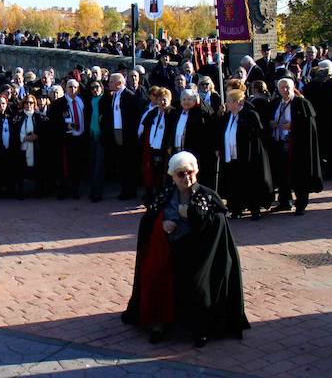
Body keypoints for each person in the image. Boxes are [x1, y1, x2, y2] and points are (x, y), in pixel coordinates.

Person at [122, 151, 250, 347]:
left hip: (199, 252)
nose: (186, 177)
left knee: (197, 283)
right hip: (169, 248)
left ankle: (201, 328)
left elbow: (219, 222)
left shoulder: (206, 195)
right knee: (157, 273)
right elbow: (148, 217)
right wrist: (162, 224)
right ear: (172, 176)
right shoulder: (166, 193)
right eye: (180, 174)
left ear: (196, 172)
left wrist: (192, 214)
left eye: (190, 172)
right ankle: (160, 323)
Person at [268, 78, 323, 215]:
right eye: (282, 87)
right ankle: (284, 201)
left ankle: (301, 203)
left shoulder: (301, 103)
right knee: (282, 174)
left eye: (287, 87)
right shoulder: (276, 103)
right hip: (279, 143)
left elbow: (309, 125)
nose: (285, 90)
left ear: (293, 88)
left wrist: (293, 126)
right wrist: (271, 124)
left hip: (298, 146)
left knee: (299, 175)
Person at [219, 90, 273, 220]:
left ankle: (255, 209)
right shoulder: (228, 116)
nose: (227, 103)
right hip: (231, 156)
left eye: (229, 101)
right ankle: (236, 209)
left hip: (248, 155)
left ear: (237, 102)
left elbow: (256, 135)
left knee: (251, 182)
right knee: (234, 183)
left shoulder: (250, 115)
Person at [102, 73, 141, 201]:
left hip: (127, 135)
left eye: (111, 82)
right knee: (122, 164)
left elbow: (135, 117)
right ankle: (126, 189)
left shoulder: (130, 96)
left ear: (118, 83)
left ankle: (129, 191)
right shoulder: (114, 95)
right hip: (117, 132)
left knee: (128, 164)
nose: (109, 84)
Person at [138, 87, 176, 202]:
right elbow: (145, 126)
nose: (162, 102)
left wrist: (170, 145)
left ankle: (164, 195)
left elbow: (173, 131)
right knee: (154, 171)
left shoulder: (173, 113)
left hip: (166, 147)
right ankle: (153, 193)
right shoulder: (153, 112)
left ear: (169, 100)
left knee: (165, 172)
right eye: (160, 99)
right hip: (153, 146)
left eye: (165, 99)